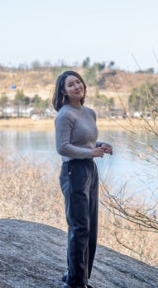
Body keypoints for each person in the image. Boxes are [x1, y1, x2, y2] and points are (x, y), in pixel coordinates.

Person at [53, 70, 112, 288]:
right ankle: (75, 282)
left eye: (79, 82)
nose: (77, 86)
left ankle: (79, 277)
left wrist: (100, 146)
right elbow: (63, 147)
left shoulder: (90, 113)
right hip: (73, 172)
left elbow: (85, 142)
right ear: (64, 91)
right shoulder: (65, 115)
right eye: (71, 85)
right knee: (80, 227)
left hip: (90, 170)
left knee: (91, 226)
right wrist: (90, 153)